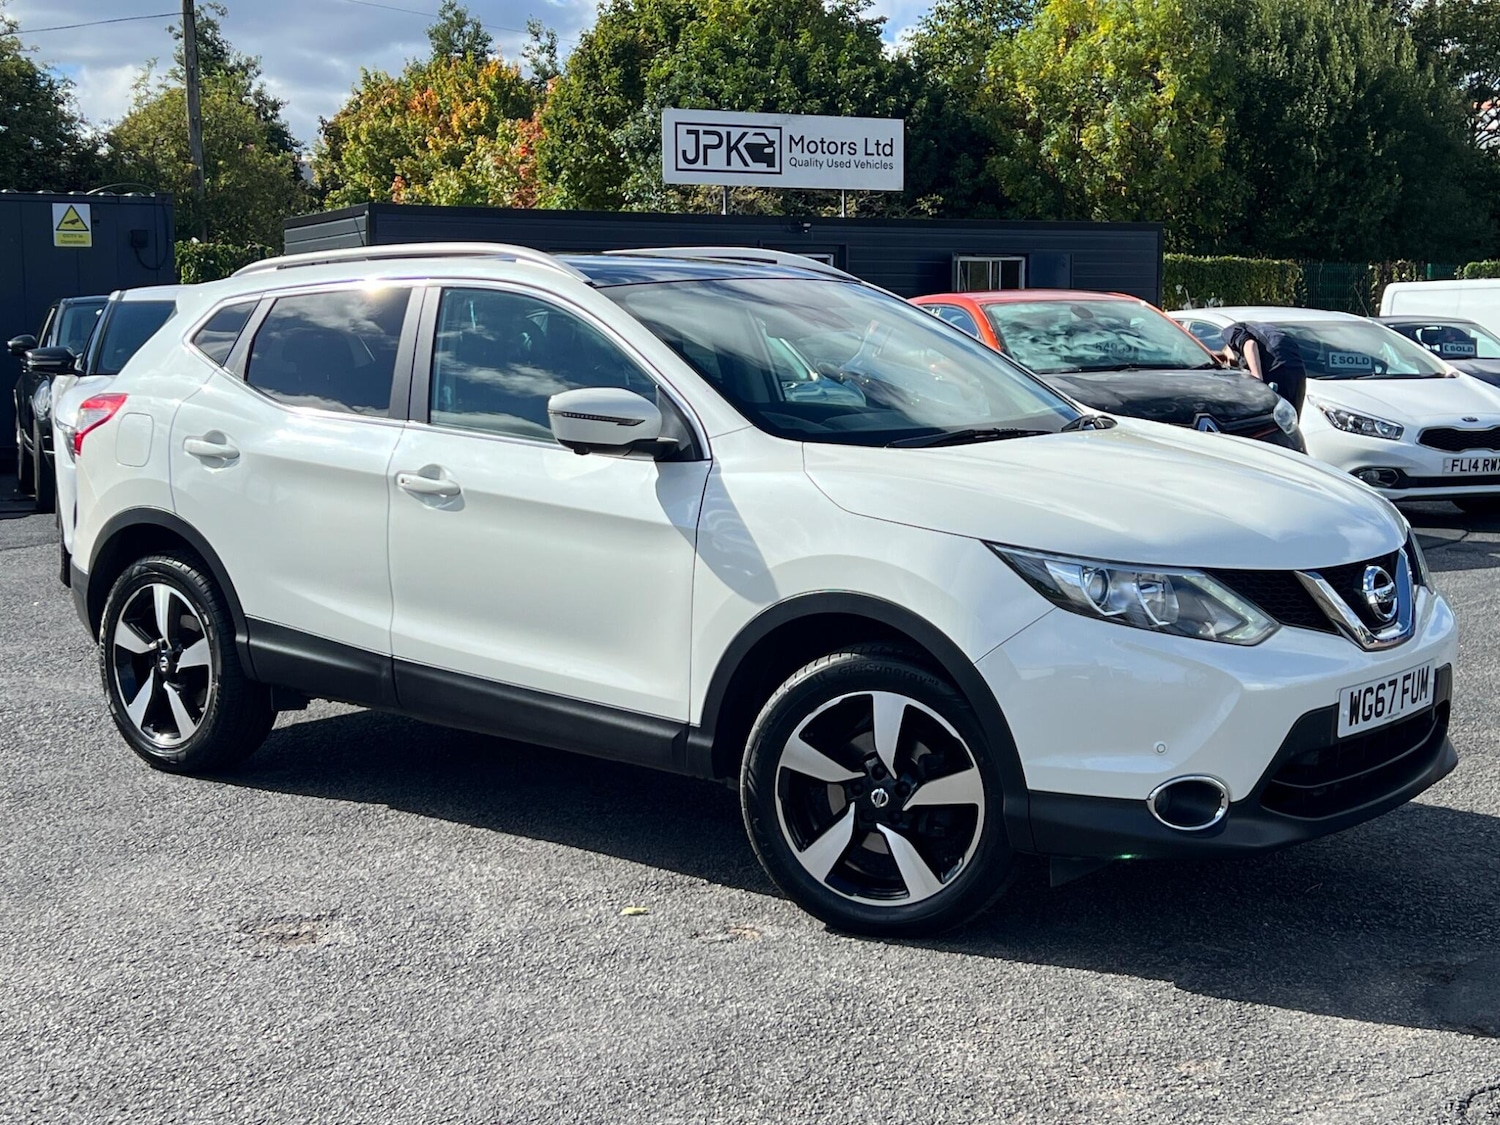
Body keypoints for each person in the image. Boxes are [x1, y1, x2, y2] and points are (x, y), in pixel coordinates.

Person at [1221, 321, 1307, 414]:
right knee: (1288, 420)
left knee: (1271, 419)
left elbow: (1250, 344)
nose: (1231, 363)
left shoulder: (1229, 331)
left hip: (1277, 367)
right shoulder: (1258, 330)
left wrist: (1257, 380)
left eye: (1229, 361)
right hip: (1297, 370)